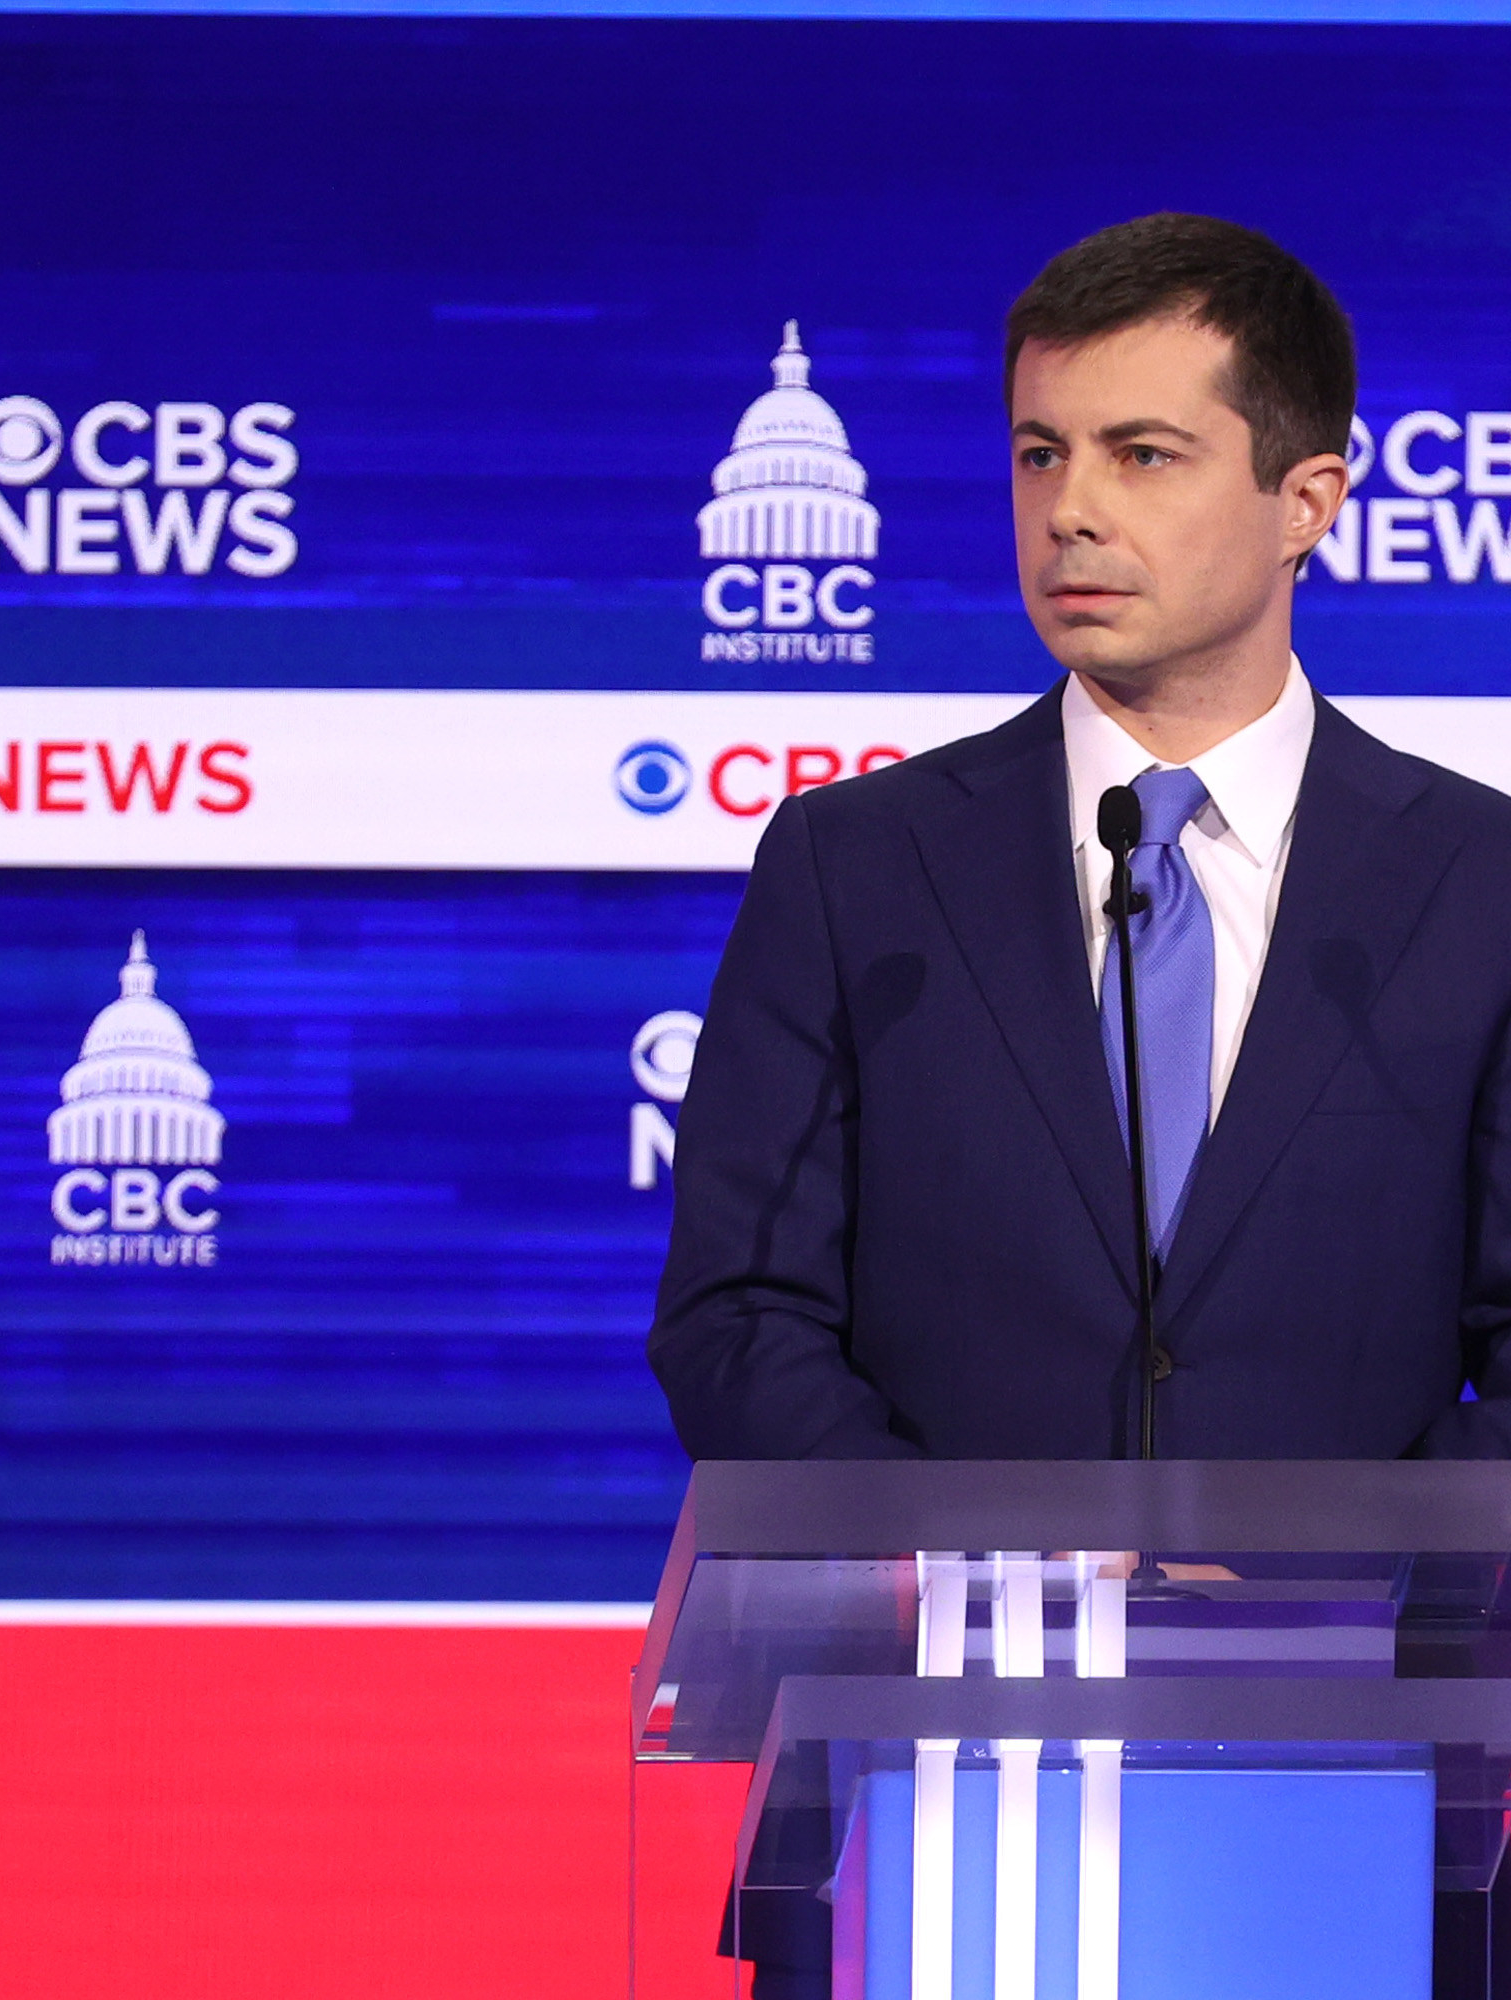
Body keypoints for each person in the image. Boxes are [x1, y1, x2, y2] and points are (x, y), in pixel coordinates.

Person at [651, 210, 1511, 1997]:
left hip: (1350, 1822)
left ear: (1312, 499)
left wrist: (1349, 1613)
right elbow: (738, 1318)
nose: (1071, 510)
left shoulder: (1480, 888)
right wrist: (969, 1585)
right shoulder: (858, 868)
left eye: (1143, 454)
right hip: (912, 1808)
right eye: (1041, 452)